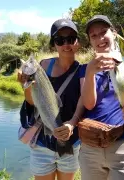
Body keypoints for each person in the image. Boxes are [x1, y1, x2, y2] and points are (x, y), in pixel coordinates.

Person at [79, 15, 124, 180]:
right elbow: (89, 104)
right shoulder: (85, 70)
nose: (100, 38)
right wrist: (91, 72)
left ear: (114, 33)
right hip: (91, 149)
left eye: (103, 32)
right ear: (90, 41)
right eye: (93, 36)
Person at [17, 19, 84, 180]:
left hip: (70, 141)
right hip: (42, 144)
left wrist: (72, 125)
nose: (66, 44)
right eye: (60, 40)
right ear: (54, 44)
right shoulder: (43, 67)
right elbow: (32, 103)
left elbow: (86, 105)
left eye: (71, 39)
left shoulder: (83, 72)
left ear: (78, 42)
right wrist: (26, 86)